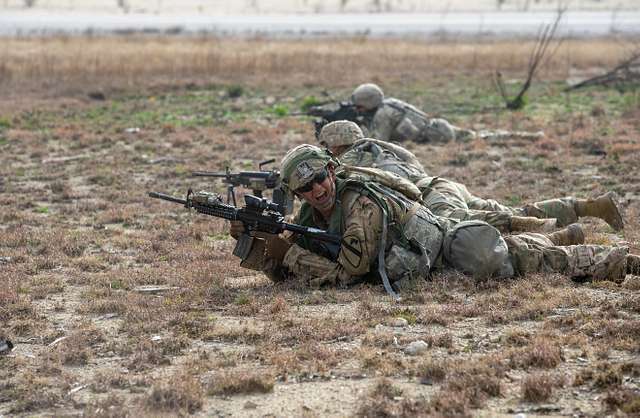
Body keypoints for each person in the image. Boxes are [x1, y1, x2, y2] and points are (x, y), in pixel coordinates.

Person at [229, 144, 639, 296]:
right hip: (422, 256)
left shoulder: (360, 201)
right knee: (512, 233)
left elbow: (351, 269)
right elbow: (299, 269)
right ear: (296, 193)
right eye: (307, 188)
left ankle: (622, 261)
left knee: (522, 258)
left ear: (331, 171)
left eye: (320, 179)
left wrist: (290, 254)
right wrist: (264, 248)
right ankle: (567, 230)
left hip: (443, 247)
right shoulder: (310, 212)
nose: (318, 190)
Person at [317, 120, 624, 233]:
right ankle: (589, 206)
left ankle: (537, 228)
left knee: (463, 223)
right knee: (503, 209)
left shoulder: (347, 163)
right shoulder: (387, 148)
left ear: (334, 146)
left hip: (428, 196)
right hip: (445, 184)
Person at [350, 83, 543, 143]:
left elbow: (378, 141)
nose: (358, 109)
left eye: (359, 105)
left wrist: (360, 130)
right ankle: (529, 136)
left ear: (368, 102)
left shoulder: (382, 114)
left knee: (482, 139)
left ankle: (528, 137)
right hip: (439, 126)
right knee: (481, 136)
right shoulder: (391, 103)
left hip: (437, 136)